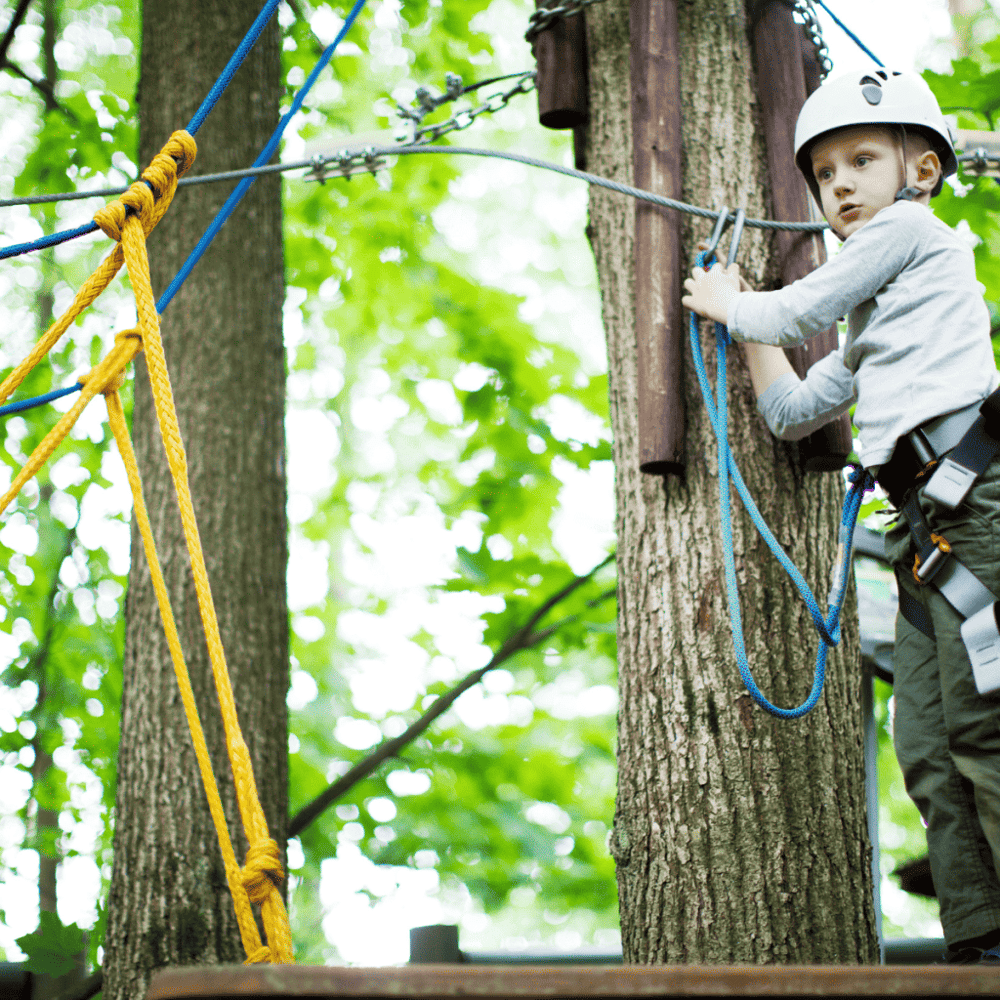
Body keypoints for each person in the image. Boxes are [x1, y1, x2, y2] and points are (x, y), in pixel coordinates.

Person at [682, 69, 1000, 964]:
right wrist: (743, 330)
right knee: (928, 744)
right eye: (824, 175)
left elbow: (795, 311)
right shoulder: (877, 326)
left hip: (976, 512)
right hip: (926, 533)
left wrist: (735, 301)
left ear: (922, 171)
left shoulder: (913, 232)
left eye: (862, 161)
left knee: (985, 727)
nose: (841, 186)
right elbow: (792, 411)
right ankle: (980, 941)